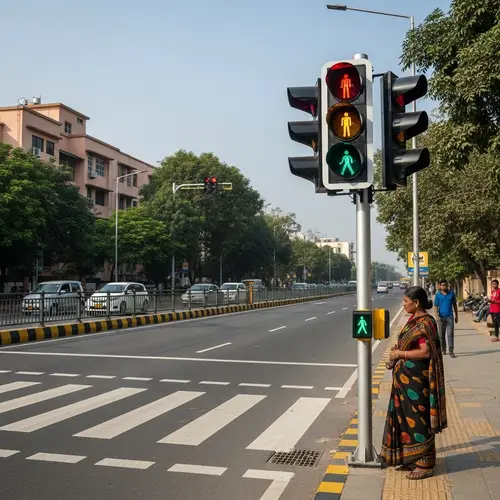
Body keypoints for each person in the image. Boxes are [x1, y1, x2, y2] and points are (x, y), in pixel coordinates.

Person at [380, 286, 447, 480]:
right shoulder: (414, 320)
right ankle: (411, 458)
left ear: (416, 303)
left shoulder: (425, 323)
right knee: (406, 420)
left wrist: (399, 354)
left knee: (419, 420)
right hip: (405, 381)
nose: (403, 305)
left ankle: (425, 464)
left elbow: (425, 352)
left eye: (405, 302)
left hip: (417, 383)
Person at [434, 280, 458, 358]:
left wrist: (456, 316)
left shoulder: (451, 294)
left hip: (450, 317)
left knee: (450, 334)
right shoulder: (438, 295)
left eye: (445, 285)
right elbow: (435, 306)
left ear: (447, 285)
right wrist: (436, 316)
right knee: (441, 335)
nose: (444, 286)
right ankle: (443, 349)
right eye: (442, 285)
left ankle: (451, 351)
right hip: (441, 317)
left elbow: (455, 305)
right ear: (440, 286)